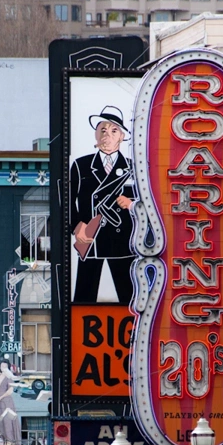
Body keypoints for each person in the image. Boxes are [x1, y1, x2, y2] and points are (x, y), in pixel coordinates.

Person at [69, 105, 137, 305]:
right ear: (96, 135)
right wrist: (76, 225)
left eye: (114, 130)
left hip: (123, 243)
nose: (107, 135)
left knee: (129, 301)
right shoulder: (81, 166)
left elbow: (149, 203)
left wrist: (131, 203)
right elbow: (67, 200)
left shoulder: (133, 168)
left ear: (122, 136)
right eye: (103, 130)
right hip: (91, 240)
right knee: (83, 300)